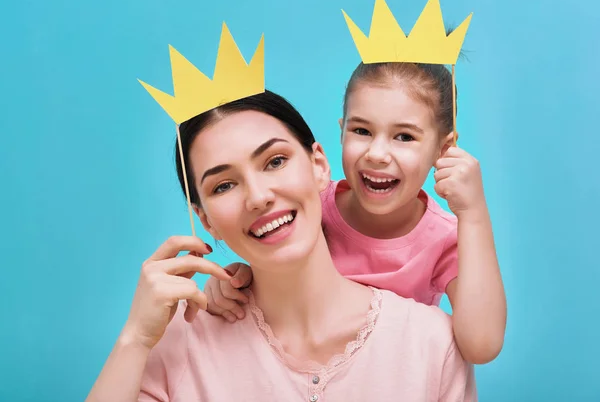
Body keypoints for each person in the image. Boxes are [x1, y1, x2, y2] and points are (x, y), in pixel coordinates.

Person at [86, 90, 476, 401]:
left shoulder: (430, 344)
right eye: (223, 185)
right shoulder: (180, 343)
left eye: (274, 161)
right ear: (205, 220)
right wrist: (134, 339)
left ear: (319, 166)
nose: (258, 197)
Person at [204, 62, 507, 365]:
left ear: (444, 150)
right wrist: (234, 281)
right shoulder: (310, 206)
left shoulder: (445, 240)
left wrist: (474, 213)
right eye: (361, 130)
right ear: (341, 131)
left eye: (404, 137)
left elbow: (481, 345)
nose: (376, 153)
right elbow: (272, 271)